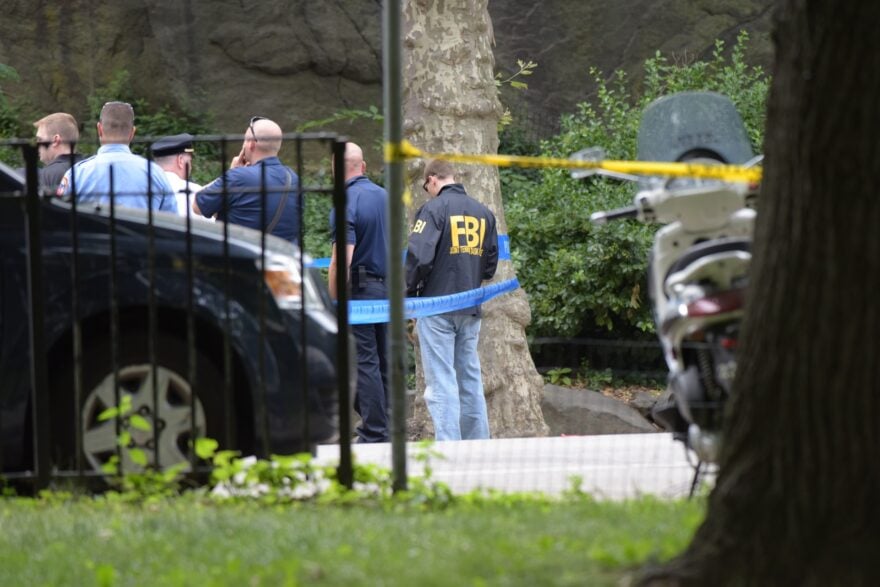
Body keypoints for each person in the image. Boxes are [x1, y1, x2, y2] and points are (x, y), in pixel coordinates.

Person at [405, 159, 499, 441]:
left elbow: (418, 258)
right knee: (469, 378)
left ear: (432, 179)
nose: (427, 192)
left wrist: (408, 297)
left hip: (436, 306)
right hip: (470, 306)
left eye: (426, 187)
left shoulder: (433, 209)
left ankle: (450, 446)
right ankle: (478, 444)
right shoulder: (484, 213)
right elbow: (490, 267)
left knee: (441, 380)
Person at [328, 142, 390, 443]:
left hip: (360, 290)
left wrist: (334, 300)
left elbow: (342, 260)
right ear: (362, 166)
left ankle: (374, 431)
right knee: (382, 359)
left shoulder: (345, 201)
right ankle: (386, 427)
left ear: (335, 170)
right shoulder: (384, 196)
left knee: (363, 361)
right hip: (387, 288)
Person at [57, 101, 177, 213]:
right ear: (132, 133)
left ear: (99, 129)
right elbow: (172, 222)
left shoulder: (76, 174)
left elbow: (60, 217)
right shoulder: (155, 173)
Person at [194, 117, 299, 243]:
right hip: (280, 254)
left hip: (240, 254)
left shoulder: (238, 177)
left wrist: (231, 172)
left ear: (251, 144)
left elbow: (197, 206)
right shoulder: (294, 179)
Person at [151, 133, 204, 218]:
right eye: (190, 161)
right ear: (180, 160)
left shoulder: (143, 188)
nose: (191, 166)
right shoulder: (196, 193)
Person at [33, 112, 84, 193]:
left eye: (40, 139)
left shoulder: (49, 174)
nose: (37, 144)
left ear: (56, 140)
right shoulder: (89, 168)